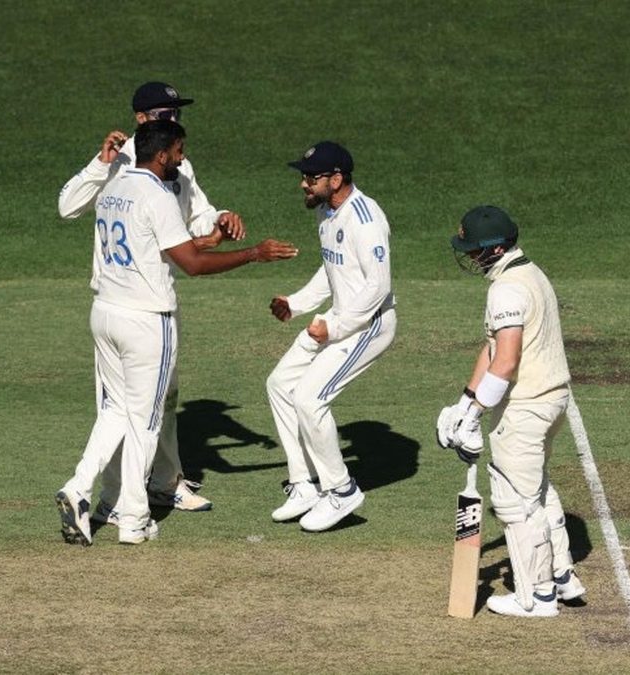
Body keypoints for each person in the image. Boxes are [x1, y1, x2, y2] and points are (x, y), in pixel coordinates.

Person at [56, 120, 298, 545]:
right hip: (147, 320)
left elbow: (162, 246)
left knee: (115, 411)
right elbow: (191, 265)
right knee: (147, 422)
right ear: (163, 153)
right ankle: (133, 521)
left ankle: (78, 488)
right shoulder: (157, 194)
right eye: (180, 151)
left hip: (105, 313)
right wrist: (254, 255)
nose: (183, 159)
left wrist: (209, 239)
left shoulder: (113, 187)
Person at [58, 81, 244, 519]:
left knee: (166, 396)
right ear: (142, 119)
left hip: (160, 297)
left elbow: (197, 213)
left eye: (177, 113)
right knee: (120, 408)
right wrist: (99, 167)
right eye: (166, 113)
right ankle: (118, 499)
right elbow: (67, 206)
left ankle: (165, 483)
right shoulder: (116, 162)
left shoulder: (178, 162)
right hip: (120, 302)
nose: (175, 120)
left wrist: (219, 219)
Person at [436, 205, 585, 617]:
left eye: (473, 249)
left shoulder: (506, 290)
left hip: (526, 407)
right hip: (551, 399)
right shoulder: (529, 273)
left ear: (495, 248)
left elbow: (507, 361)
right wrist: (466, 399)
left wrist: (476, 414)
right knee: (535, 488)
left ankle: (536, 597)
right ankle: (561, 577)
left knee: (514, 501)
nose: (468, 255)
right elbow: (492, 348)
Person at [265, 141, 397, 532]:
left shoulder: (365, 219)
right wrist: (297, 303)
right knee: (280, 385)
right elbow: (332, 270)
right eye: (303, 177)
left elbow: (377, 287)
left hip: (369, 325)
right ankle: (305, 484)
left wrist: (334, 328)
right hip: (337, 320)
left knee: (309, 398)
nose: (304, 184)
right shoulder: (327, 211)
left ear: (336, 179)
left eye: (311, 178)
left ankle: (341, 491)